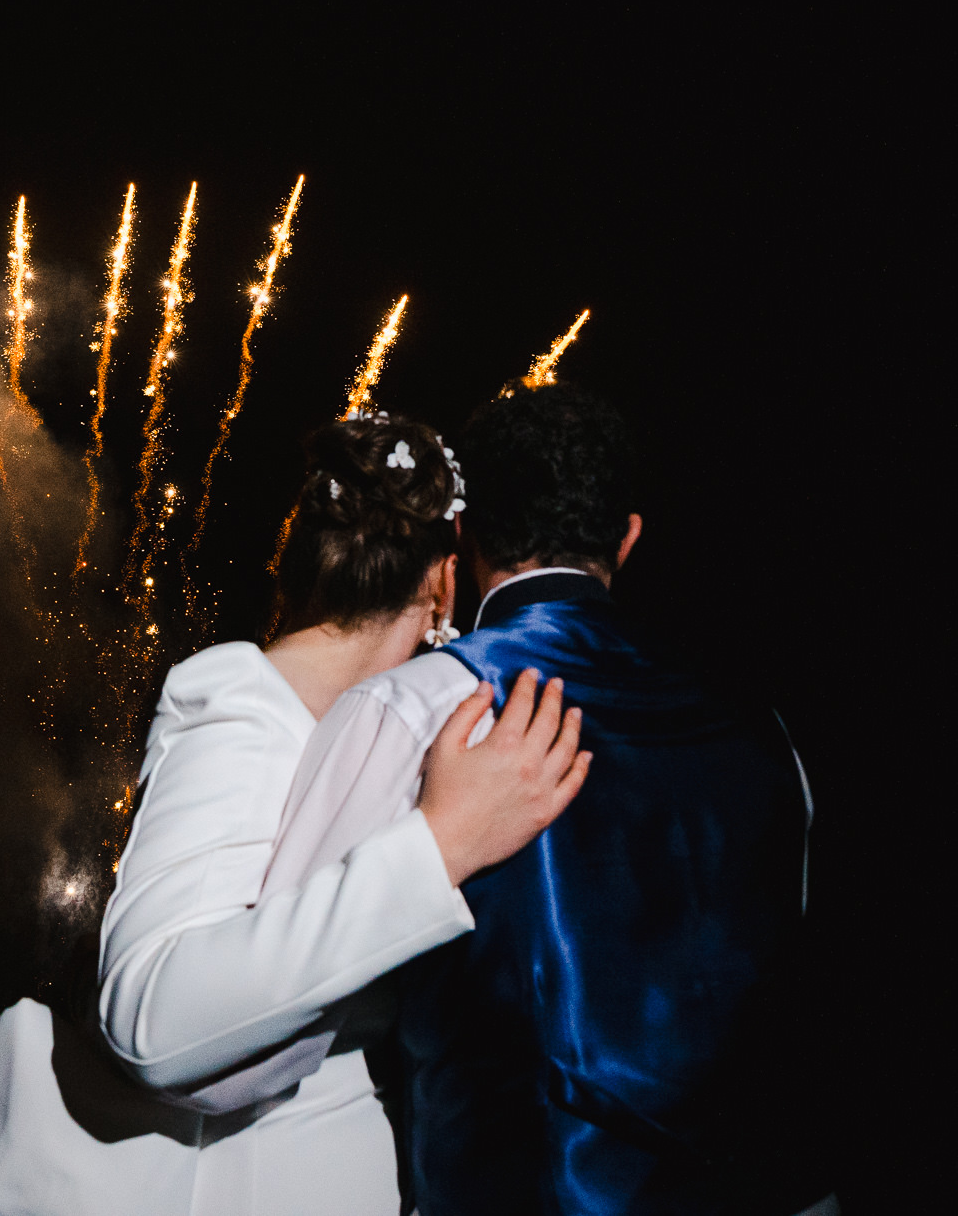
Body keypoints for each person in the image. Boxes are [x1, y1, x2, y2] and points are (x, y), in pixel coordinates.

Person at [0, 415, 591, 1215]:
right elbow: (154, 1016)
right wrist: (440, 845)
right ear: (443, 582)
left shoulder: (391, 723)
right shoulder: (240, 703)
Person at [264, 385, 837, 1214]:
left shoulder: (418, 704)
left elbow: (277, 994)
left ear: (461, 533)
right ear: (628, 537)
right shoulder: (768, 729)